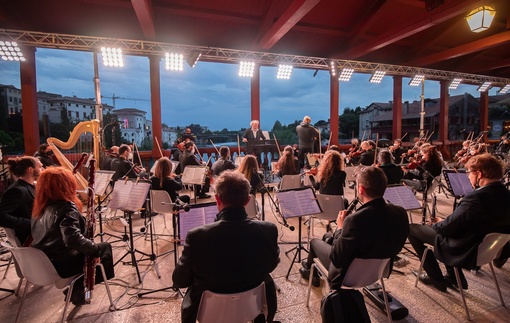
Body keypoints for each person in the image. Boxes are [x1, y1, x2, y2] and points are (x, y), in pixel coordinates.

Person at [172, 170, 280, 323]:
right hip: (252, 307)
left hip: (209, 312)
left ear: (217, 199)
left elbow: (180, 280)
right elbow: (271, 265)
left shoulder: (196, 236)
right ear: (248, 200)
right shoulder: (269, 230)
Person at [408, 154, 510, 292]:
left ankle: (435, 278)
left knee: (412, 229)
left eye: (469, 173)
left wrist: (435, 224)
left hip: (467, 248)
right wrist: (448, 221)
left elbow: (448, 229)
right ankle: (454, 277)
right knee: (451, 228)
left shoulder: (476, 198)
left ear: (479, 174)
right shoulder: (506, 194)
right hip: (489, 248)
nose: (468, 177)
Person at [299, 166, 409, 288]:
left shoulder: (354, 220)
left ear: (361, 189)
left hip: (348, 276)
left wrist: (340, 227)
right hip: (379, 271)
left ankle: (310, 272)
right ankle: (311, 270)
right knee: (327, 236)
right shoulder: (400, 212)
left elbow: (337, 258)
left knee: (315, 242)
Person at [31, 167, 114, 305]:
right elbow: (72, 239)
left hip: (42, 263)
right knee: (104, 248)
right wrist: (94, 249)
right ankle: (79, 288)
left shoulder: (40, 207)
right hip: (60, 265)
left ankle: (79, 289)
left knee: (96, 248)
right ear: (65, 185)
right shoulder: (66, 207)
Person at [0, 156, 43, 245]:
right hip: (30, 238)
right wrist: (31, 223)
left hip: (36, 233)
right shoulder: (17, 190)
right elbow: (1, 216)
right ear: (30, 169)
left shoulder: (28, 186)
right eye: (40, 167)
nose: (42, 169)